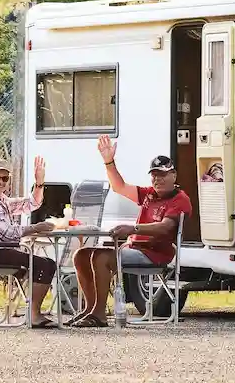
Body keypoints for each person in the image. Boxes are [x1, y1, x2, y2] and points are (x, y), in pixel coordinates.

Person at [68, 136, 193, 327]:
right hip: (133, 248)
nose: (158, 179)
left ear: (174, 175)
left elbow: (165, 227)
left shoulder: (179, 198)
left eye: (163, 174)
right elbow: (119, 187)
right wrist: (109, 162)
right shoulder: (149, 193)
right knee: (81, 255)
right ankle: (90, 309)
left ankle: (99, 314)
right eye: (154, 175)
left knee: (101, 258)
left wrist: (132, 229)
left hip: (155, 253)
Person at [0, 157, 57, 328]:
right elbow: (7, 233)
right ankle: (34, 315)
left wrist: (39, 183)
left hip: (0, 250)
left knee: (44, 264)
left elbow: (32, 204)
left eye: (5, 178)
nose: (0, 182)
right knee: (44, 265)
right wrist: (36, 227)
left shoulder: (1, 199)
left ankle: (33, 312)